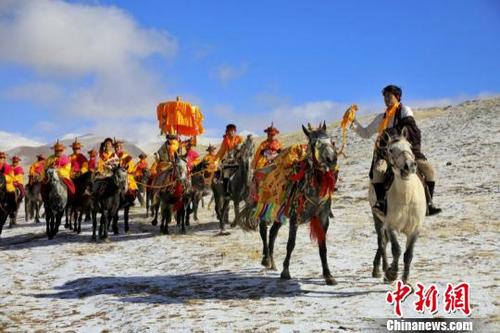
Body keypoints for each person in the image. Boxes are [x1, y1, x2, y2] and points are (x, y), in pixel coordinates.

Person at [351, 85, 441, 216]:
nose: (386, 99)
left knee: (429, 171)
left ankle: (429, 203)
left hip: (406, 152)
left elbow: (409, 128)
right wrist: (353, 122)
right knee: (377, 173)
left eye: (389, 96)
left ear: (397, 97)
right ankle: (381, 203)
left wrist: (387, 133)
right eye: (385, 96)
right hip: (386, 155)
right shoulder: (381, 118)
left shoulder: (404, 110)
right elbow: (366, 133)